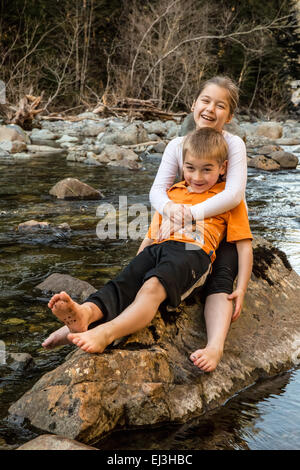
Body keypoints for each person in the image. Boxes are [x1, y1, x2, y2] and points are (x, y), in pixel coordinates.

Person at [44, 128, 253, 372]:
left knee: (152, 287)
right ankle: (85, 314)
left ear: (223, 167)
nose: (197, 176)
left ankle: (106, 333)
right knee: (123, 283)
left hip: (193, 251)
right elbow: (152, 234)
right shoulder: (173, 193)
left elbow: (244, 245)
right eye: (190, 168)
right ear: (181, 165)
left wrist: (241, 288)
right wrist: (138, 262)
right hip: (159, 248)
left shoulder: (227, 199)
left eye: (207, 169)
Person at [149, 76, 249, 369]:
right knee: (154, 265)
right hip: (183, 222)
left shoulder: (233, 144)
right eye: (205, 101)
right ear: (194, 104)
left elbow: (234, 194)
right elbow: (158, 190)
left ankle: (215, 347)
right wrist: (171, 209)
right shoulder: (178, 144)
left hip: (222, 221)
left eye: (220, 106)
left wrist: (192, 214)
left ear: (228, 116)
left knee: (221, 281)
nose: (210, 109)